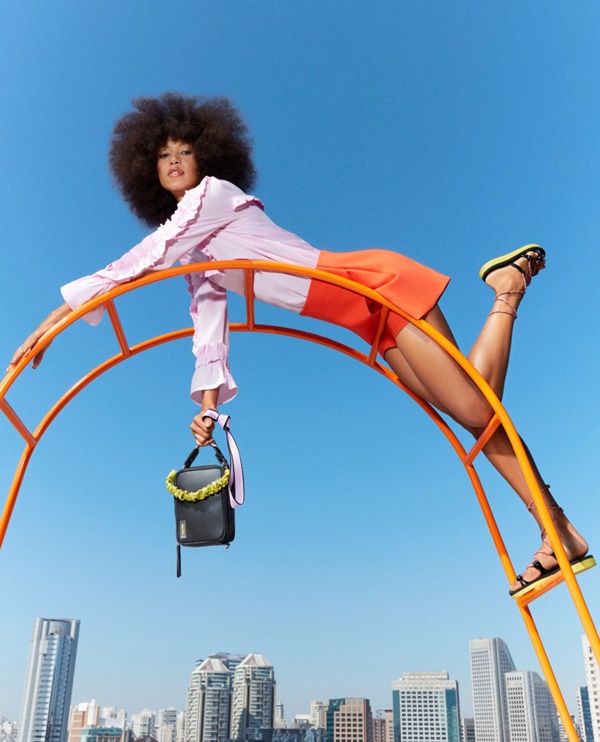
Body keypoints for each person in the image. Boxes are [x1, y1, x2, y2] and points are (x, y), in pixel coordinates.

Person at [8, 92, 589, 596]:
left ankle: (554, 524)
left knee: (478, 413)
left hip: (374, 284)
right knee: (478, 408)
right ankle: (507, 293)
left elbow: (146, 257)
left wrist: (65, 308)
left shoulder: (210, 197)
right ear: (147, 172)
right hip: (367, 322)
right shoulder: (198, 254)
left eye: (185, 150)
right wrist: (208, 410)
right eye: (163, 156)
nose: (176, 161)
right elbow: (208, 325)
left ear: (206, 156)